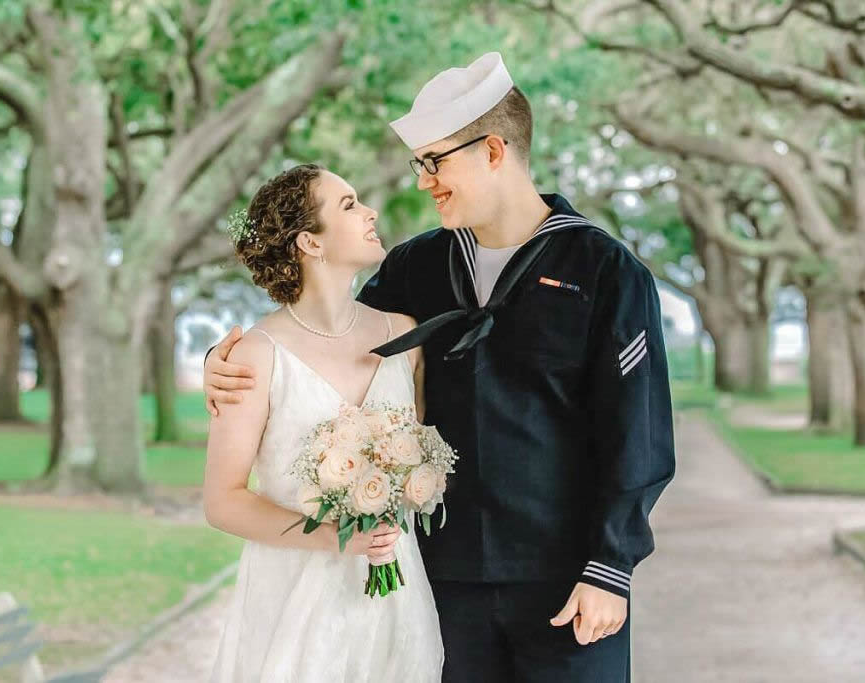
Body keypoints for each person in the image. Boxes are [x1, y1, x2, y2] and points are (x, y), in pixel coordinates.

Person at [205, 52, 675, 682]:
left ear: (493, 150)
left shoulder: (607, 273)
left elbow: (637, 432)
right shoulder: (414, 268)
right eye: (419, 164)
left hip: (566, 581)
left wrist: (609, 568)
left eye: (435, 161)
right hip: (436, 583)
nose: (424, 180)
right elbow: (328, 342)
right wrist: (227, 363)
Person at [203, 163, 443, 682]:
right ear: (311, 242)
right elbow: (223, 502)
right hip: (294, 590)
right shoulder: (254, 355)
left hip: (395, 593)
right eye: (350, 204)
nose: (370, 212)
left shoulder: (406, 338)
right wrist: (334, 536)